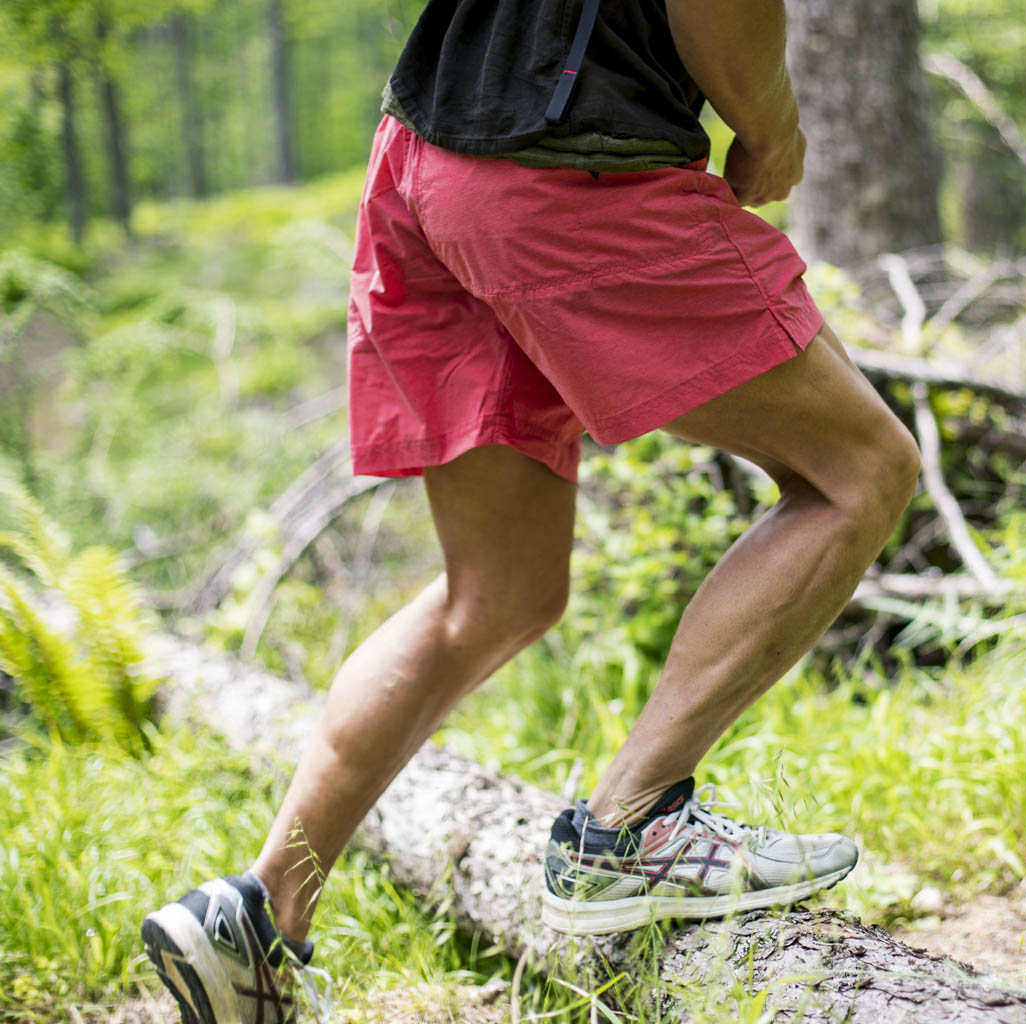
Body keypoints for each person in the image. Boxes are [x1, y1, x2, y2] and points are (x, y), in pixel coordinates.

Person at [140, 0, 921, 1019]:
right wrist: (772, 127)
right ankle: (627, 829)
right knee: (860, 471)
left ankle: (258, 909)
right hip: (566, 174)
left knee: (495, 593)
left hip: (424, 164)